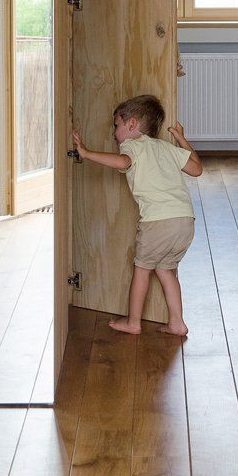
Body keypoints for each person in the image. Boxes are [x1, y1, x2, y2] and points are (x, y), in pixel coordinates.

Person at [72, 94, 201, 337]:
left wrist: (87, 153)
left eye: (116, 125)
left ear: (131, 124)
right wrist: (181, 139)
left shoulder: (132, 146)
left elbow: (122, 163)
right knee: (166, 270)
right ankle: (177, 323)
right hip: (185, 221)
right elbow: (196, 169)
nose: (114, 132)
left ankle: (133, 322)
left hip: (157, 222)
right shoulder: (167, 148)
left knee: (142, 270)